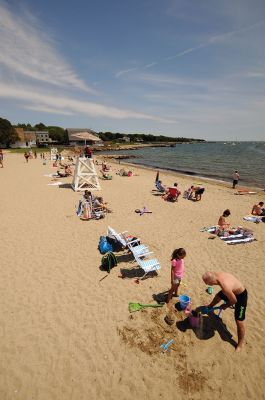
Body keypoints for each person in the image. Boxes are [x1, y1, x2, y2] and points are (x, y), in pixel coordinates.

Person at [202, 271, 248, 352]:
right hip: (231, 291)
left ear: (211, 281)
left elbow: (234, 300)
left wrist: (225, 306)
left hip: (240, 295)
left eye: (207, 283)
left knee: (239, 321)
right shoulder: (216, 275)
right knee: (217, 297)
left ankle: (240, 344)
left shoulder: (224, 286)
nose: (207, 285)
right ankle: (210, 306)